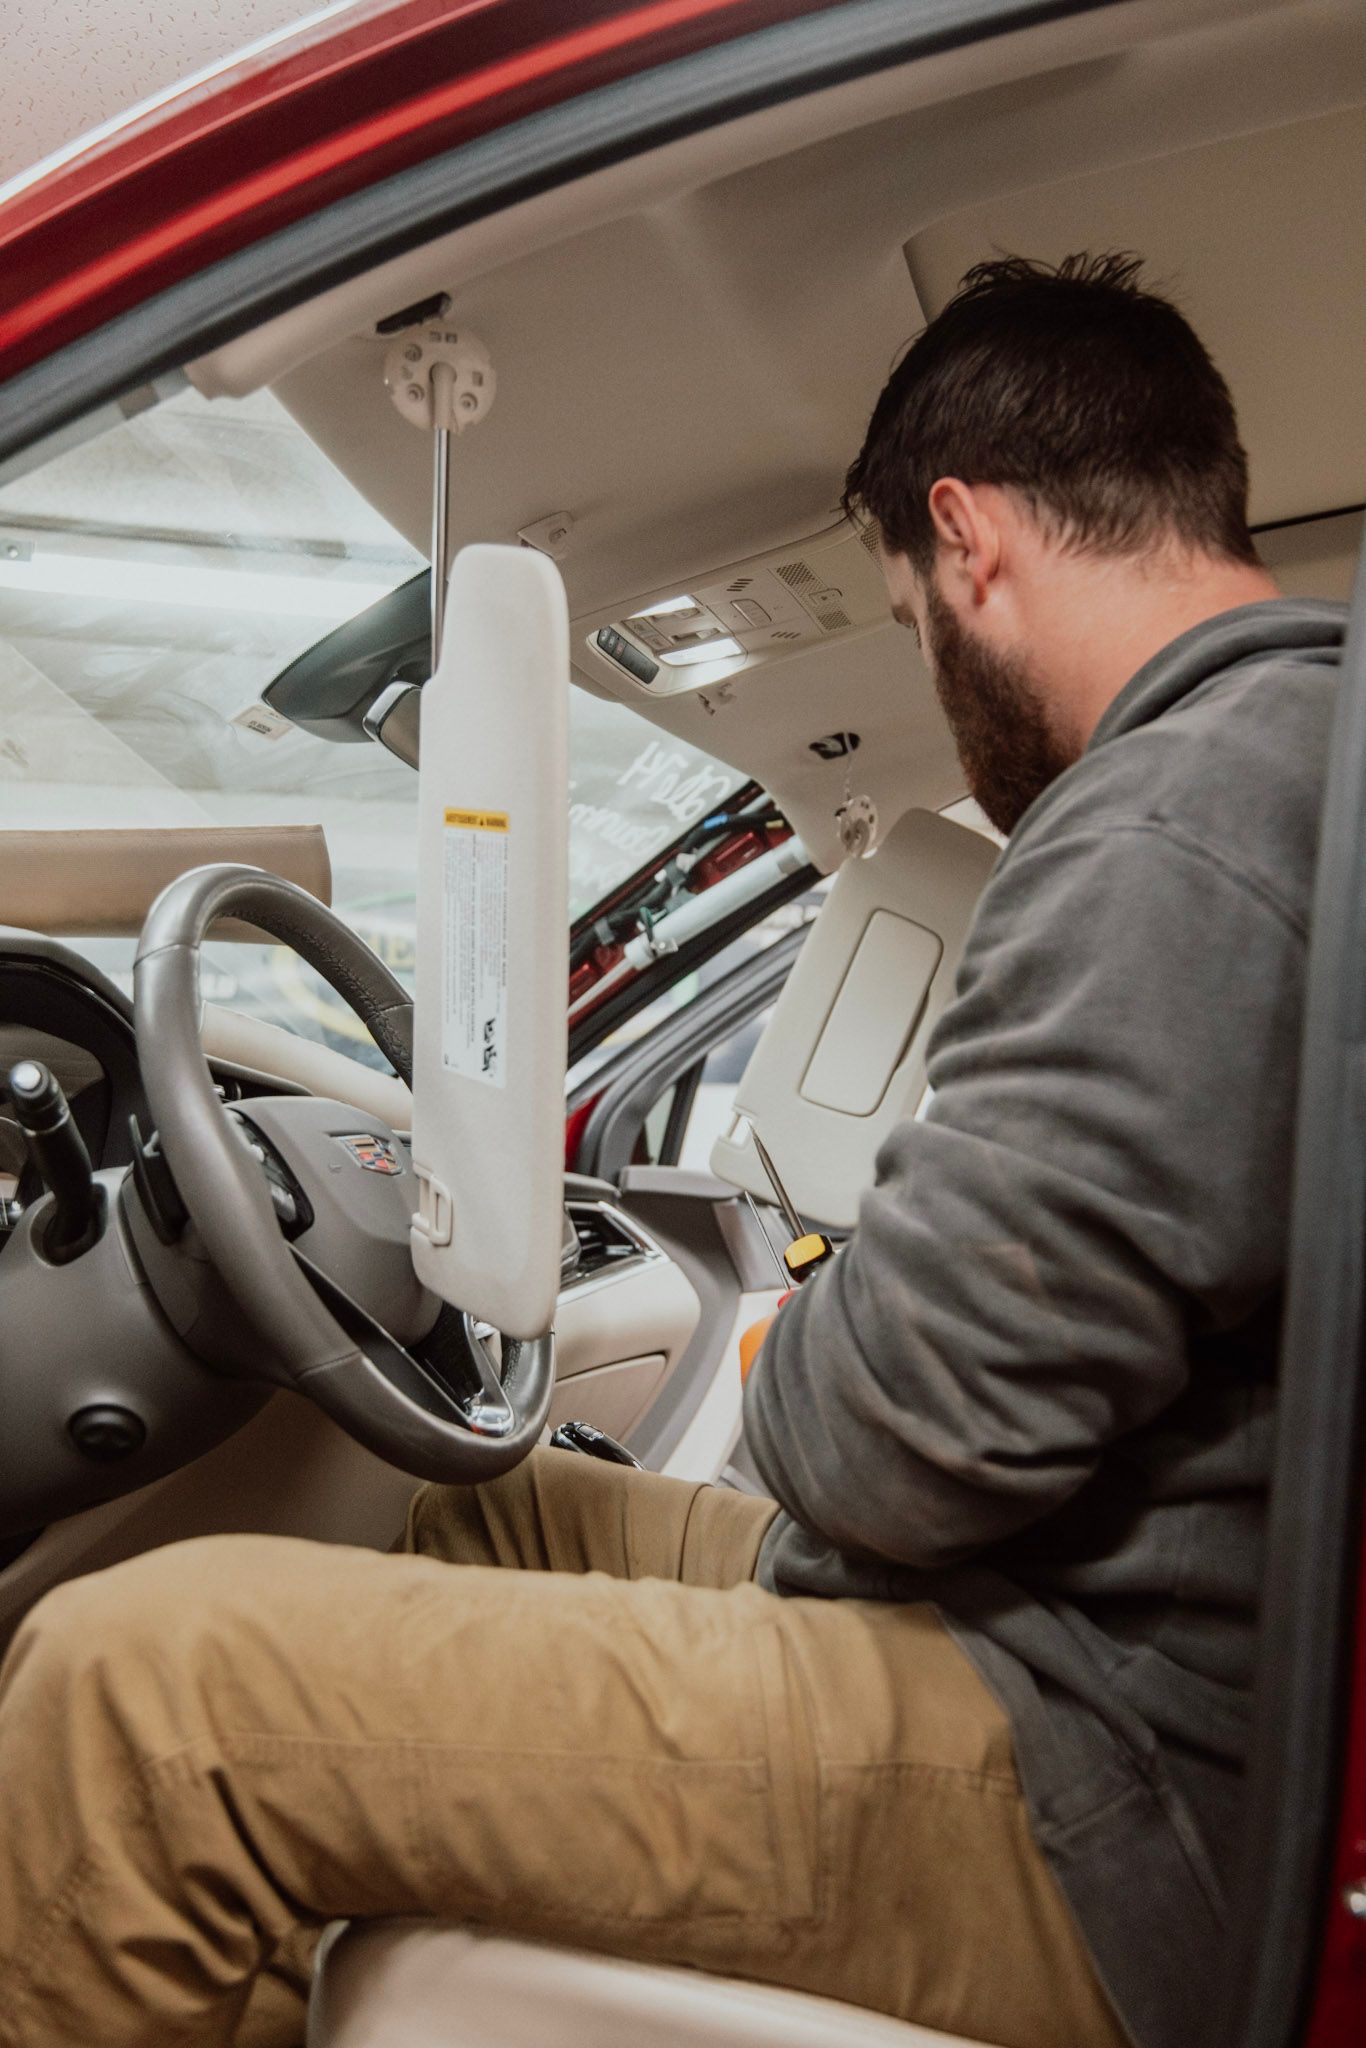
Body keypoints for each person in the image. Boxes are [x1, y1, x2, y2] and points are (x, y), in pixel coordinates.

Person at [0, 254, 1345, 2048]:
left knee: (131, 1696)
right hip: (1102, 1666)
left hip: (1095, 1789)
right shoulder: (1277, 771)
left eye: (908, 613)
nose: (935, 671)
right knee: (492, 1506)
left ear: (969, 540)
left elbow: (889, 1446)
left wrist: (819, 1337)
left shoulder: (1181, 816)